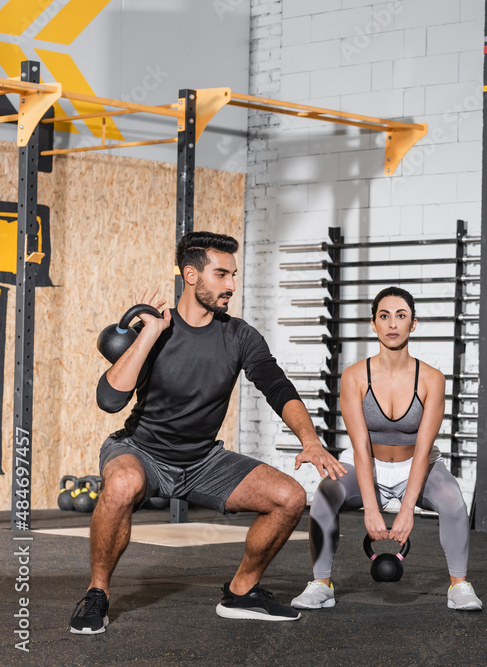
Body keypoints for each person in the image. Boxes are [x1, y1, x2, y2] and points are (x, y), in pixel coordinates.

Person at [71, 231, 345, 634]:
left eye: (233, 274)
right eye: (221, 274)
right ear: (191, 275)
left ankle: (241, 592)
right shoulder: (156, 331)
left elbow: (277, 386)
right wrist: (147, 335)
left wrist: (310, 440)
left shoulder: (239, 336)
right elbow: (110, 400)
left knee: (290, 497)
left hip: (203, 460)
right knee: (121, 484)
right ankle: (97, 593)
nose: (231, 285)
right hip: (142, 451)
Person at [291, 286, 482, 612]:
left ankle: (459, 585)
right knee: (324, 496)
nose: (393, 323)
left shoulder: (432, 379)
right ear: (374, 323)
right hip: (366, 463)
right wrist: (371, 508)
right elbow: (361, 448)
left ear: (413, 324)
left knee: (452, 500)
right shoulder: (353, 377)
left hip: (416, 465)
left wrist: (407, 509)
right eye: (384, 316)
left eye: (401, 315)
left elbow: (423, 450)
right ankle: (321, 584)